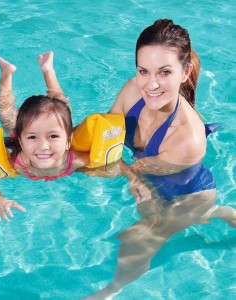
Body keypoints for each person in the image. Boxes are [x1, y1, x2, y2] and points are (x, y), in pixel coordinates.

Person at [82, 19, 236, 299]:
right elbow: (107, 139)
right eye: (143, 71)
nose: (150, 84)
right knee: (150, 222)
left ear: (185, 72)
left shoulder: (188, 139)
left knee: (139, 239)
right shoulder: (132, 90)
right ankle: (218, 214)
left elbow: (126, 168)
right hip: (151, 178)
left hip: (188, 194)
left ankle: (111, 291)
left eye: (164, 72)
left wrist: (88, 165)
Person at [0, 51, 143, 222]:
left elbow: (116, 163)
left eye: (53, 137)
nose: (43, 146)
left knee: (60, 108)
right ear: (20, 141)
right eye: (32, 138)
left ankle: (48, 70)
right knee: (5, 113)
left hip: (55, 132)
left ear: (68, 142)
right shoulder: (16, 163)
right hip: (26, 128)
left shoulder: (74, 160)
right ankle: (6, 72)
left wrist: (134, 179)